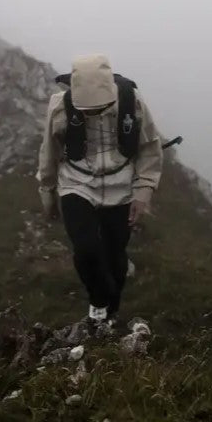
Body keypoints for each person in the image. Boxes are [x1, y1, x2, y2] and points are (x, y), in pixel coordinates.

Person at [37, 53, 163, 327]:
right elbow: (49, 151)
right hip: (77, 183)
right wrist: (47, 193)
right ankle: (98, 302)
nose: (92, 112)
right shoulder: (61, 107)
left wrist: (143, 192)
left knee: (116, 255)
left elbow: (149, 147)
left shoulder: (132, 103)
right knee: (86, 249)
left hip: (121, 185)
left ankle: (111, 313)